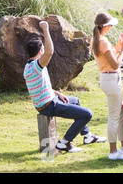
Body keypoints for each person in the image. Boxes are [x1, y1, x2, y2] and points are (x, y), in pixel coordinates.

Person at [24, 21, 106, 153]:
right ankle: (64, 143)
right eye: (43, 49)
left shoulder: (29, 66)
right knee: (86, 114)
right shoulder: (35, 67)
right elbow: (49, 52)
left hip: (50, 100)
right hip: (48, 106)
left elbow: (42, 87)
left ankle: (87, 136)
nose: (45, 50)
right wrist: (45, 29)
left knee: (75, 100)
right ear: (40, 51)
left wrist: (58, 93)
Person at [91, 12, 123, 160]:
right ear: (106, 26)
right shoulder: (102, 41)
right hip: (111, 80)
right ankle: (113, 152)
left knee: (120, 114)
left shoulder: (98, 40)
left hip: (108, 79)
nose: (111, 27)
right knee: (114, 117)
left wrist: (118, 45)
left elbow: (109, 57)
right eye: (110, 25)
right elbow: (116, 63)